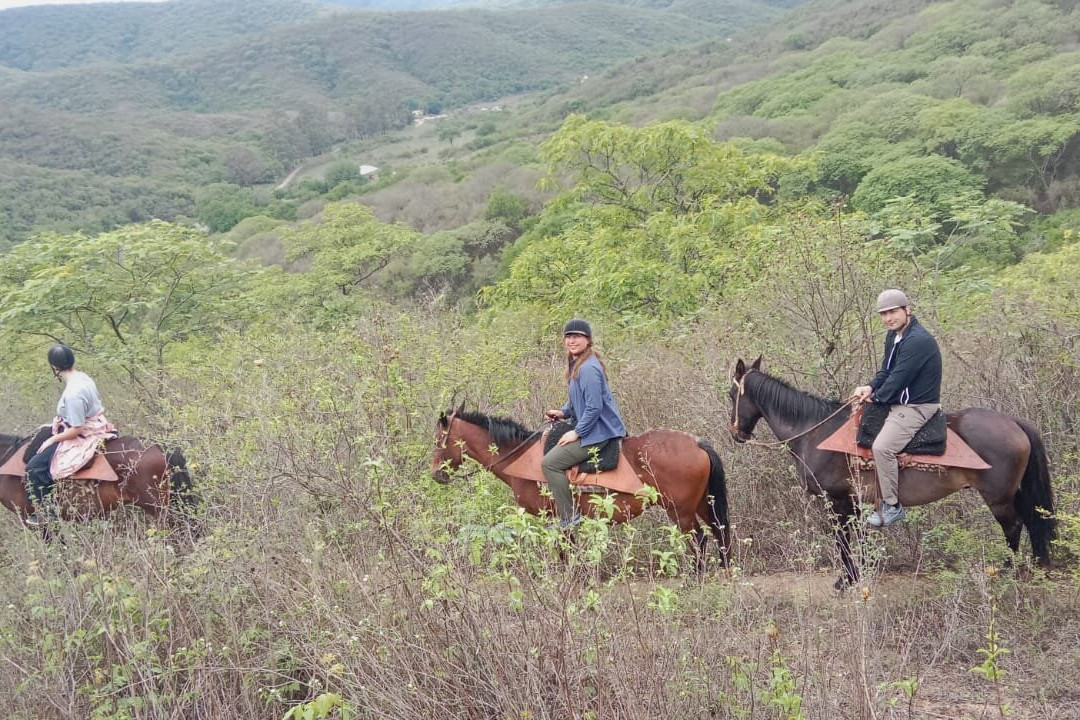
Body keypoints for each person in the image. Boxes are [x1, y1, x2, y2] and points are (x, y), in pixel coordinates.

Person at [851, 289, 942, 528]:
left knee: (882, 447)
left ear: (907, 310)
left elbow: (898, 379)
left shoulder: (918, 341)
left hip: (917, 406)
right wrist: (869, 388)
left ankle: (892, 506)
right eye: (883, 314)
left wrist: (878, 398)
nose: (888, 318)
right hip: (898, 400)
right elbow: (886, 372)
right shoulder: (894, 336)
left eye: (893, 312)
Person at [542, 319, 627, 530]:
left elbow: (594, 407)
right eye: (568, 337)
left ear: (587, 340)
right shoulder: (579, 364)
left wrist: (576, 433)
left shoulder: (588, 369)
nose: (572, 341)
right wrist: (563, 412)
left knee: (549, 464)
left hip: (598, 433)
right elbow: (578, 402)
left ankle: (570, 517)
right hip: (592, 428)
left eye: (577, 336)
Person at [25, 344, 115, 526]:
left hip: (82, 432)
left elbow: (77, 429)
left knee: (35, 468)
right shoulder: (83, 377)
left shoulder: (74, 393)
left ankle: (47, 512)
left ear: (54, 367)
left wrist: (53, 438)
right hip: (92, 422)